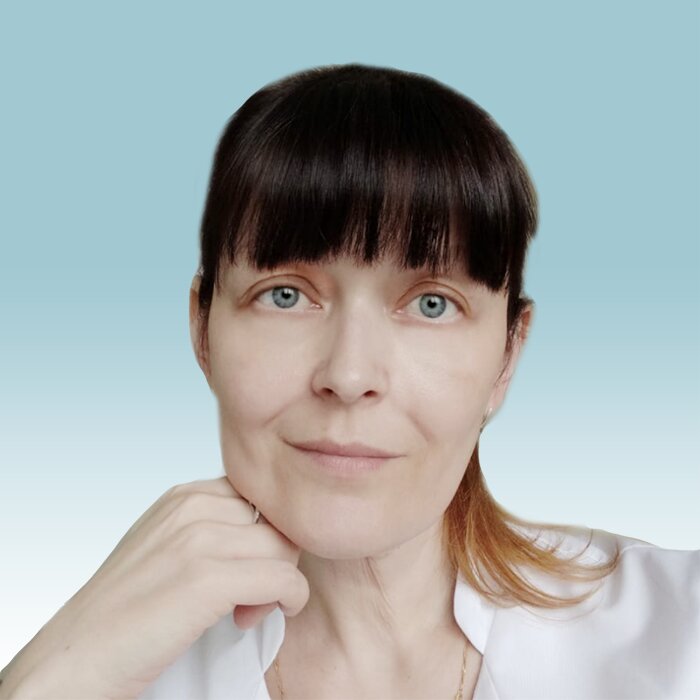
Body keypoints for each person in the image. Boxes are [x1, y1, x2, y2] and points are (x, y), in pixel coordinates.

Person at [1, 63, 698, 700]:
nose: (349, 374)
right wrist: (52, 675)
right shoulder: (109, 673)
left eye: (432, 304)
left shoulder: (680, 637)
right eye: (285, 295)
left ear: (508, 355)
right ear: (201, 329)